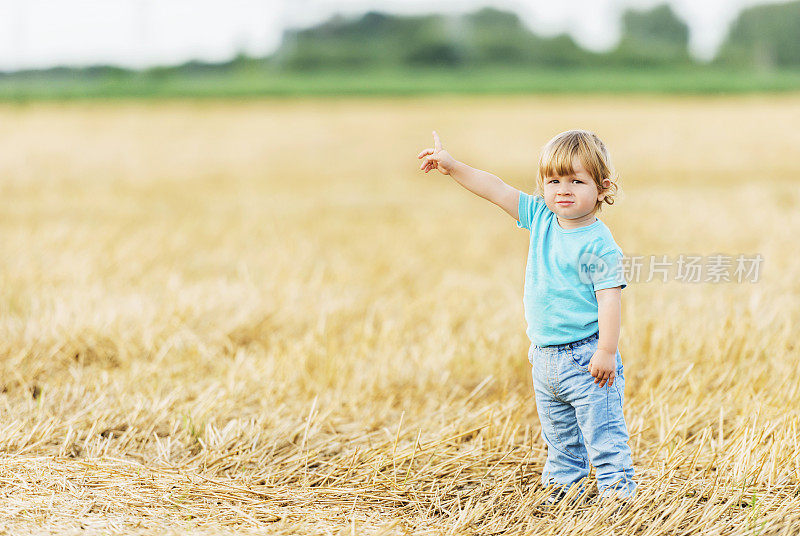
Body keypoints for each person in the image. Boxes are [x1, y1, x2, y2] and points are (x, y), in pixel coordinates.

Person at [417, 129, 637, 505]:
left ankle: (619, 499)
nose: (562, 190)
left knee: (604, 435)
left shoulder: (599, 244)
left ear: (602, 188)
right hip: (545, 358)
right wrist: (452, 166)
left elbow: (609, 301)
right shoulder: (540, 217)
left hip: (586, 358)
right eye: (553, 180)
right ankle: (561, 494)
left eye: (576, 181)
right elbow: (495, 188)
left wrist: (606, 350)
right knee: (560, 437)